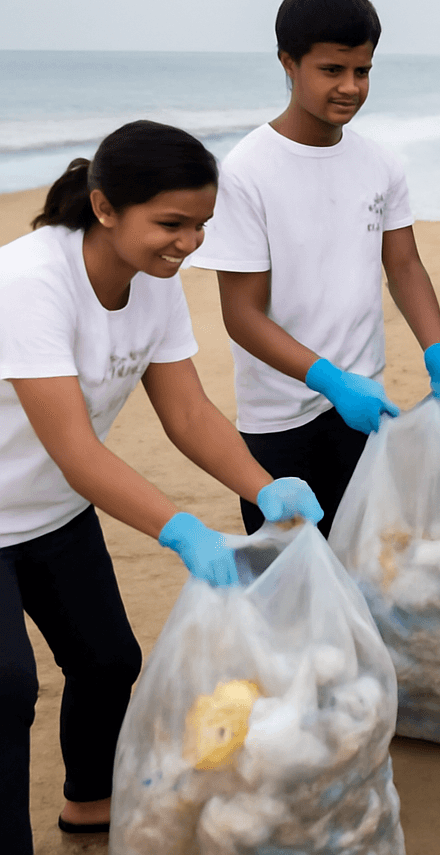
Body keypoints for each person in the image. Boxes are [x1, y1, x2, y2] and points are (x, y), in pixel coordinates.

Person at [0, 121, 324, 854]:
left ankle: (88, 806)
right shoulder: (29, 283)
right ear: (106, 208)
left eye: (202, 224)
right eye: (171, 224)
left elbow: (187, 412)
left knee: (109, 661)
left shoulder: (152, 281)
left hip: (52, 512)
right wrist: (182, 529)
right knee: (7, 689)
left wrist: (266, 486)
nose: (189, 243)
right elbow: (79, 449)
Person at [192, 0, 440, 539]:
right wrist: (332, 381)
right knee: (292, 586)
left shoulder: (380, 164)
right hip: (279, 419)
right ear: (288, 63)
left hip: (363, 413)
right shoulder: (247, 172)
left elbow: (405, 266)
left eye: (362, 71)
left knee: (367, 572)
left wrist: (439, 351)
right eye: (332, 70)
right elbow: (242, 315)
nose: (350, 87)